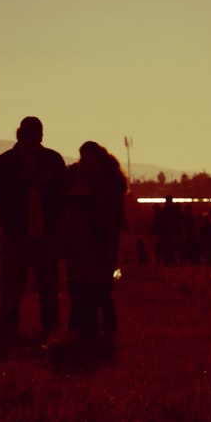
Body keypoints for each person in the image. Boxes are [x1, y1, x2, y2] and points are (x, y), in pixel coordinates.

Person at [0, 117, 67, 341]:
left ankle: (20, 329)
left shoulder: (9, 161)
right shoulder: (48, 160)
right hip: (21, 233)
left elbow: (62, 195)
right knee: (18, 286)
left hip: (36, 233)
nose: (33, 141)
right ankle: (22, 328)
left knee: (42, 287)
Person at [60, 141, 126, 349]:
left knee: (98, 284)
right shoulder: (79, 178)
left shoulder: (106, 183)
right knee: (84, 283)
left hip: (98, 237)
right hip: (80, 238)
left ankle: (92, 327)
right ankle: (89, 327)